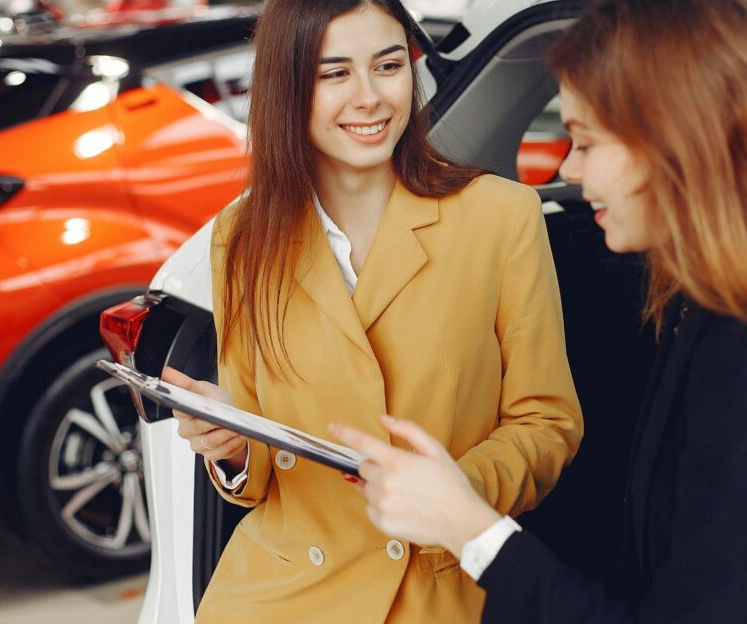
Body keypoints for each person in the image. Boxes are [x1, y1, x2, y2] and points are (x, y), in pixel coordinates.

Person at [330, 0, 747, 622]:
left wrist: (466, 526)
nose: (567, 168)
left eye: (585, 141)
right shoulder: (714, 304)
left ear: (677, 145)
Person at [161, 0, 583, 622]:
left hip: (434, 586)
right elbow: (257, 474)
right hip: (274, 597)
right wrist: (230, 446)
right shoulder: (241, 236)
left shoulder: (501, 216)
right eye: (335, 74)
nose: (370, 97)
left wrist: (456, 495)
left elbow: (547, 422)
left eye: (388, 66)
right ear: (288, 89)